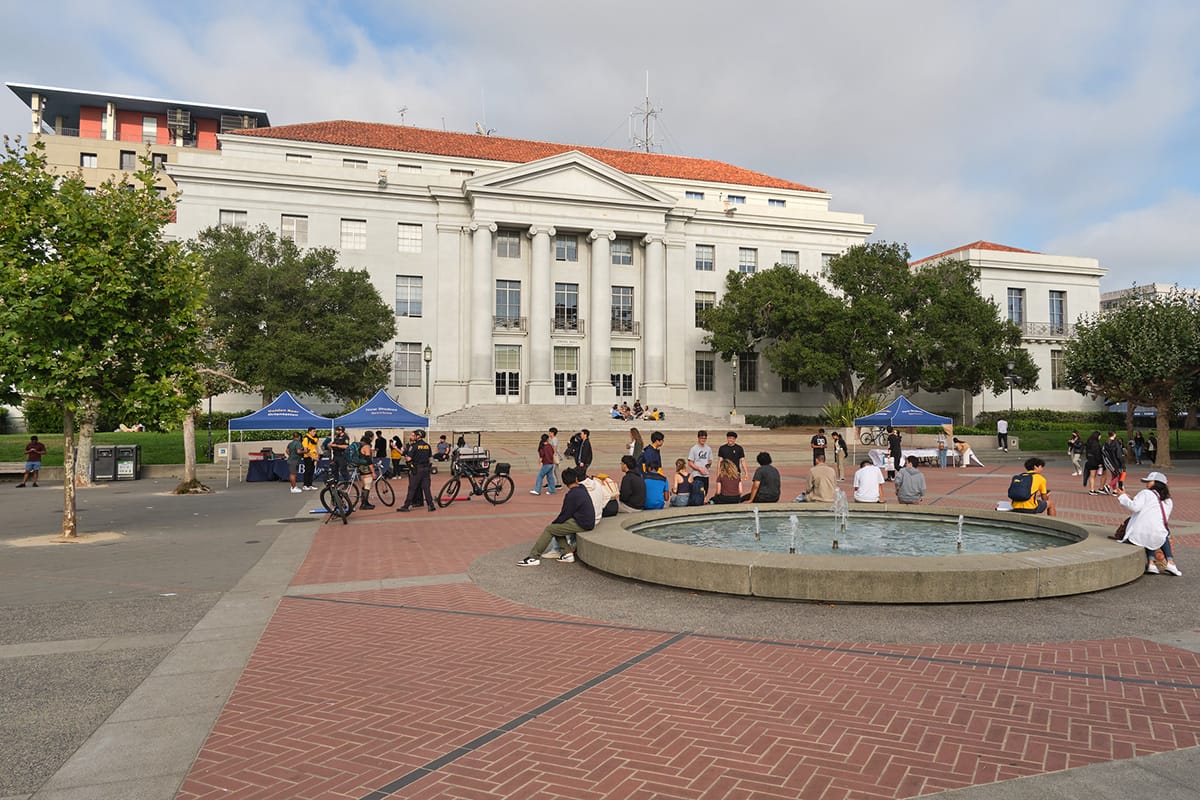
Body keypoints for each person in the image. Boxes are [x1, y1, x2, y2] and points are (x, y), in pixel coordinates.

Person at [517, 468, 594, 566]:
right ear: (576, 479)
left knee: (550, 529)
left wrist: (554, 523)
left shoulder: (571, 495)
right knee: (556, 528)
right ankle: (567, 553)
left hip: (582, 523)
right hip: (587, 520)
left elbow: (565, 515)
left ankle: (533, 557)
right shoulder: (582, 488)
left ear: (565, 482)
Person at [1117, 471, 1180, 576]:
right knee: (1154, 534)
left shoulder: (1146, 493)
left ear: (1157, 483)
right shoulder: (1168, 500)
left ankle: (1151, 563)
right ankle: (1169, 562)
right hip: (1159, 535)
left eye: (1149, 481)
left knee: (1147, 534)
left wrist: (1122, 496)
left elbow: (1135, 507)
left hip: (1138, 535)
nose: (1146, 484)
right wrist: (1129, 497)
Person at [397, 429, 435, 512]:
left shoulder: (413, 446)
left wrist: (410, 465)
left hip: (417, 469)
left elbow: (408, 458)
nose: (411, 437)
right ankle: (431, 505)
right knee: (426, 488)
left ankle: (406, 506)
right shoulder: (427, 446)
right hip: (426, 469)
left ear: (418, 436)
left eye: (413, 435)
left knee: (412, 488)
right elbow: (429, 458)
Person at [346, 432, 376, 510]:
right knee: (368, 484)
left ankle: (365, 502)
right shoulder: (366, 446)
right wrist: (373, 472)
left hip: (360, 466)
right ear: (371, 438)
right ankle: (364, 504)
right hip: (365, 467)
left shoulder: (360, 444)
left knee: (364, 485)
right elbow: (368, 460)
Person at [687, 430, 714, 500]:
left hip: (706, 474)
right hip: (697, 474)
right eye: (702, 438)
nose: (703, 440)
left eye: (705, 438)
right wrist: (699, 469)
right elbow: (690, 462)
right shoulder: (694, 449)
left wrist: (709, 464)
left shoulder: (708, 449)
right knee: (698, 490)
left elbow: (710, 460)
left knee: (706, 490)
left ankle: (703, 502)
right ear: (698, 438)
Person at [1101, 431, 1126, 496]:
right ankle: (1108, 486)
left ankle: (1114, 491)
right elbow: (1118, 454)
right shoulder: (1116, 442)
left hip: (1109, 462)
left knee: (1114, 476)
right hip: (1116, 462)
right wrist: (1121, 462)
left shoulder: (1106, 443)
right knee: (1120, 475)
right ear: (1114, 435)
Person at [301, 426, 321, 491]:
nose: (315, 432)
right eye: (313, 431)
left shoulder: (314, 439)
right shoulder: (306, 439)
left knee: (312, 471)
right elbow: (305, 450)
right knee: (307, 471)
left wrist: (317, 456)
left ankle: (310, 484)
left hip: (314, 457)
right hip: (308, 457)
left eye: (315, 431)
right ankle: (305, 485)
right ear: (309, 432)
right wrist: (312, 457)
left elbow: (316, 447)